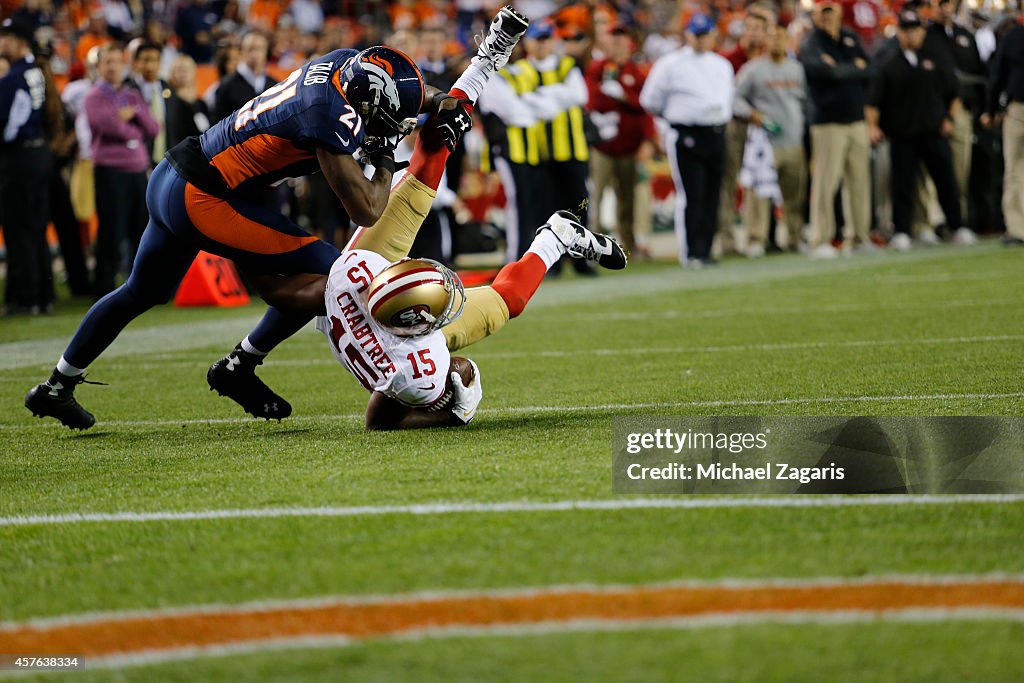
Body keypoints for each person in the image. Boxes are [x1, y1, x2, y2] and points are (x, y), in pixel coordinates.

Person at [24, 6, 532, 430]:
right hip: (204, 197)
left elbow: (403, 96)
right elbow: (368, 208)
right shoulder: (324, 117)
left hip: (178, 175)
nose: (395, 125)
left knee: (140, 291)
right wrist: (380, 157)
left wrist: (442, 103)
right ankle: (239, 365)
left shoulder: (346, 66)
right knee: (337, 274)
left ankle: (57, 385)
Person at [243, 105, 626, 429]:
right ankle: (555, 239)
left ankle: (556, 237)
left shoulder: (354, 281)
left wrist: (235, 234)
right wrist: (454, 412)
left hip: (371, 302)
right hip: (386, 333)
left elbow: (279, 293)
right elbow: (378, 417)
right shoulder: (415, 365)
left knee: (429, 176)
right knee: (509, 299)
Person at [640, 13, 734, 267]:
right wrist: (673, 119)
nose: (702, 40)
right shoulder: (670, 64)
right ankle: (690, 251)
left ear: (713, 35)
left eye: (706, 35)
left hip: (716, 131)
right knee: (692, 193)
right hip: (686, 133)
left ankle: (705, 248)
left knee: (713, 193)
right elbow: (650, 100)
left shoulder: (721, 64)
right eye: (697, 35)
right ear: (688, 35)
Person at [866, 9, 962, 252]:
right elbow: (874, 101)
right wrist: (873, 126)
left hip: (933, 131)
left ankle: (957, 226)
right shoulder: (889, 65)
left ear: (922, 32)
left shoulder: (934, 60)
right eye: (905, 30)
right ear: (899, 33)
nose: (910, 35)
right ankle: (902, 231)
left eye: (914, 30)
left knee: (946, 181)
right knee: (902, 186)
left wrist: (949, 118)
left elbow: (953, 92)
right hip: (902, 134)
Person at [798, 0, 873, 258]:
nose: (828, 17)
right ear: (815, 15)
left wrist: (841, 69)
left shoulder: (850, 37)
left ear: (839, 12)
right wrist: (854, 69)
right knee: (825, 183)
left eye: (831, 11)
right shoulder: (811, 42)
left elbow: (870, 70)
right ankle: (820, 239)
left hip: (856, 118)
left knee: (859, 181)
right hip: (827, 122)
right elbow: (824, 74)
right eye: (823, 12)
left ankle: (859, 237)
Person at [84, 42, 159, 298]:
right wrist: (133, 127)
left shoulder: (132, 95)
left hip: (137, 171)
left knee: (140, 229)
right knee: (111, 230)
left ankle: (142, 286)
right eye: (108, 62)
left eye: (117, 61)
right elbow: (110, 127)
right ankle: (103, 288)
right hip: (110, 170)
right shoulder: (94, 96)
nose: (114, 66)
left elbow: (153, 128)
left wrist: (133, 116)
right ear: (98, 66)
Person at [733, 24, 808, 256]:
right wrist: (751, 114)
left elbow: (805, 102)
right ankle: (756, 239)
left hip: (794, 141)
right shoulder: (753, 69)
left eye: (781, 38)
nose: (777, 42)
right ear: (766, 41)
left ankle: (795, 237)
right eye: (772, 38)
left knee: (794, 194)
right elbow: (734, 98)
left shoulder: (797, 69)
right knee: (759, 195)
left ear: (788, 41)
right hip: (765, 144)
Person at [585, 22, 654, 256]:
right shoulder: (597, 68)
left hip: (630, 146)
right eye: (613, 40)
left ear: (629, 44)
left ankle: (629, 245)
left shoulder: (636, 72)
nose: (617, 45)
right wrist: (623, 99)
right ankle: (590, 246)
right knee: (596, 195)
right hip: (602, 146)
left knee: (628, 198)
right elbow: (593, 101)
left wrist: (624, 95)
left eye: (621, 40)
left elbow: (645, 106)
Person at [0, 17, 54, 315]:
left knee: (18, 228)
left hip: (19, 158)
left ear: (19, 41)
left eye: (5, 38)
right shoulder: (36, 71)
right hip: (38, 155)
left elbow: (8, 126)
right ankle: (43, 295)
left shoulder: (14, 77)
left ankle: (26, 297)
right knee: (35, 228)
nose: (1, 43)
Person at [982, 9, 1024, 246]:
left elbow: (998, 75)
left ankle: (1018, 229)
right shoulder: (1014, 36)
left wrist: (991, 107)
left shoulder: (1014, 36)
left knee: (1016, 169)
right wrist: (991, 107)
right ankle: (1017, 229)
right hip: (1017, 109)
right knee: (1015, 169)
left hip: (1017, 108)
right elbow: (998, 74)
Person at [213, 30, 275, 123]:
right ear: (241, 52)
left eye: (259, 49)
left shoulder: (274, 85)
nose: (255, 54)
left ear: (266, 52)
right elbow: (217, 123)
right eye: (250, 49)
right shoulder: (227, 85)